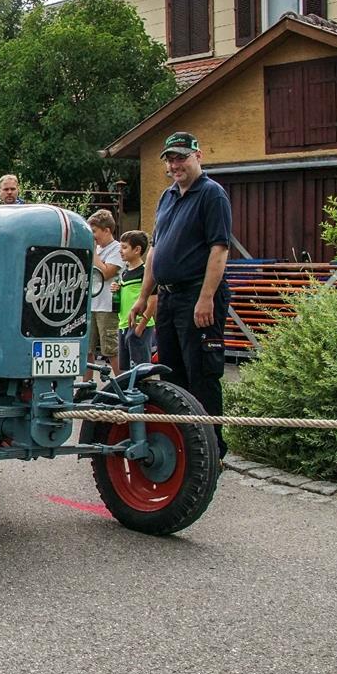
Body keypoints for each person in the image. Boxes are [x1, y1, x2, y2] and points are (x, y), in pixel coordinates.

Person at [128, 131, 233, 456]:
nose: (176, 164)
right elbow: (156, 251)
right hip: (170, 298)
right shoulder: (167, 197)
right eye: (171, 159)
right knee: (172, 375)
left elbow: (219, 249)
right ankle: (186, 444)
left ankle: (213, 450)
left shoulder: (212, 195)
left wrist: (206, 298)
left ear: (197, 156)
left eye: (181, 157)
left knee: (201, 374)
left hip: (197, 295)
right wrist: (144, 296)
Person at [113, 230, 157, 373]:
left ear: (137, 250)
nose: (121, 251)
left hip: (138, 325)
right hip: (123, 324)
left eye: (124, 247)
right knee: (126, 368)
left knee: (141, 369)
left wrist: (141, 327)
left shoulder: (145, 272)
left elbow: (153, 300)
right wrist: (117, 290)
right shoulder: (124, 273)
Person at [86, 209, 123, 372]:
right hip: (92, 305)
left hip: (107, 306)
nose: (92, 236)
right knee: (87, 349)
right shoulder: (99, 250)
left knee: (110, 349)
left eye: (94, 231)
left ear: (107, 230)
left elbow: (106, 273)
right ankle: (86, 385)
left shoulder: (117, 249)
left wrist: (93, 252)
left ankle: (121, 383)